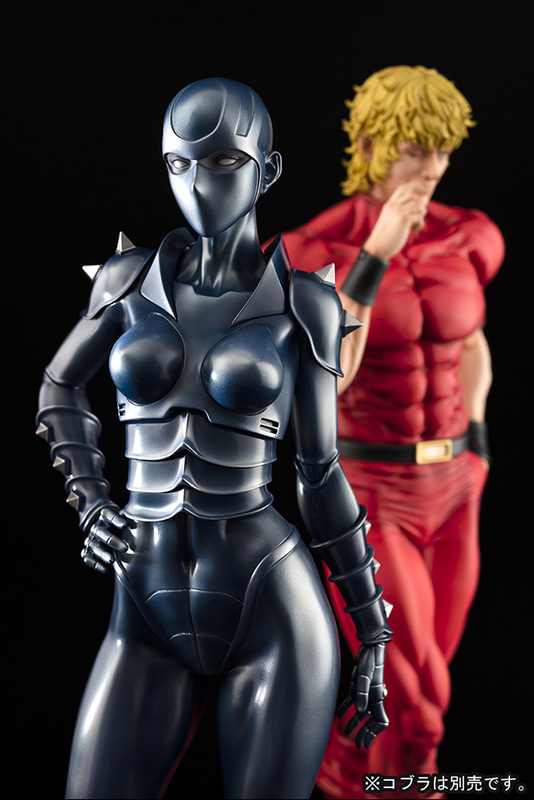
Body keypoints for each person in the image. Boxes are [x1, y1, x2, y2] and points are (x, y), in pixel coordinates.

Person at [36, 78, 393, 800]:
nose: (198, 184)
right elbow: (58, 386)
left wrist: (372, 629)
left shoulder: (305, 303)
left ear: (268, 170)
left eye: (225, 161)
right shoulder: (126, 282)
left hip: (270, 606)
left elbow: (319, 472)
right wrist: (91, 502)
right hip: (142, 598)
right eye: (179, 164)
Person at [279, 66, 504, 799]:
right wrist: (374, 254)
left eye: (443, 149)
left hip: (457, 484)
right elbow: (332, 377)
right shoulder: (311, 249)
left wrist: (477, 440)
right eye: (416, 149)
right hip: (372, 491)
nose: (433, 167)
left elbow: (468, 342)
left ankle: (347, 779)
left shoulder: (470, 234)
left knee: (411, 685)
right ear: (373, 145)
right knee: (419, 699)